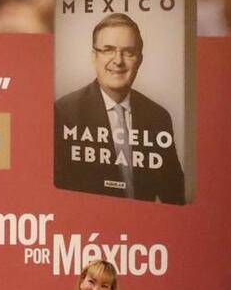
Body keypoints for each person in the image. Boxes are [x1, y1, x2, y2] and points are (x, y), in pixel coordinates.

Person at [53, 12, 186, 204]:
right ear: (94, 57)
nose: (118, 60)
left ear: (139, 59)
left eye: (128, 52)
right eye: (108, 50)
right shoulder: (64, 112)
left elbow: (174, 194)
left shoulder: (158, 116)